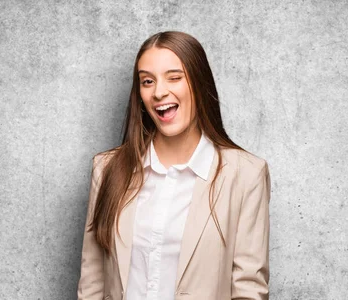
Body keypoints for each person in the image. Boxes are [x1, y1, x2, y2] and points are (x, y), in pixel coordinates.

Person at [78, 31, 271, 300]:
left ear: (199, 83)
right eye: (147, 81)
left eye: (174, 77)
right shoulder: (107, 169)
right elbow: (92, 283)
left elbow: (248, 289)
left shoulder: (246, 174)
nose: (159, 92)